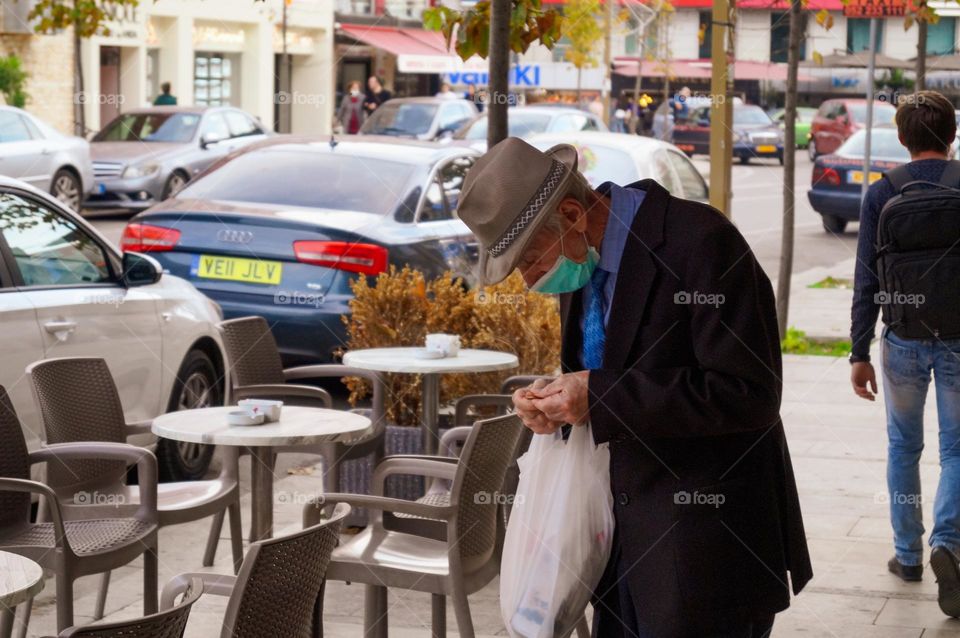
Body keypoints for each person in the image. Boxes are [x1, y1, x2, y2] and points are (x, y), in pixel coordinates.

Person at [456, 137, 812, 637]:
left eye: (531, 260)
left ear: (575, 213)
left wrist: (596, 396)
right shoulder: (582, 259)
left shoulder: (701, 241)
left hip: (706, 549)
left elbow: (748, 394)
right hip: (618, 546)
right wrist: (557, 402)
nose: (530, 282)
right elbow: (606, 373)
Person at [850, 89, 960, 617]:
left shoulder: (882, 191)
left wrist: (857, 350)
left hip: (902, 340)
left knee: (903, 448)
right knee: (958, 449)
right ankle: (949, 543)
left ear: (901, 138)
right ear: (954, 134)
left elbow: (866, 277)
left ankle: (909, 554)